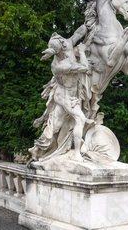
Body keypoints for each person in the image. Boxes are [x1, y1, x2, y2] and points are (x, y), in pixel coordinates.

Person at [28, 27, 92, 162]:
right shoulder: (59, 66)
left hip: (69, 94)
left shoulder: (66, 45)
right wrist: (82, 52)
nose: (68, 46)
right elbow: (85, 68)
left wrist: (88, 25)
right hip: (65, 96)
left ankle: (35, 149)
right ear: (61, 50)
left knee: (55, 124)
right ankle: (77, 154)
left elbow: (78, 33)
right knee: (80, 119)